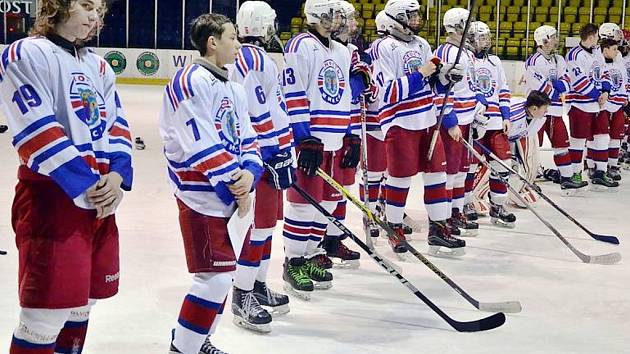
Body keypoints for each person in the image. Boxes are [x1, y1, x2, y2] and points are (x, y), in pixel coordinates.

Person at [0, 0, 134, 353]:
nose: (94, 16)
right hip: (52, 198)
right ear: (56, 6)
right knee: (44, 316)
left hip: (100, 198)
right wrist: (86, 183)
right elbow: (35, 128)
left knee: (82, 301)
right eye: (85, 5)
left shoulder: (99, 65)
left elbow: (117, 125)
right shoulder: (26, 53)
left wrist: (117, 177)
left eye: (99, 9)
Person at [160, 13, 263, 354]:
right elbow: (198, 142)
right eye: (232, 37)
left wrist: (250, 173)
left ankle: (195, 339)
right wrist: (236, 185)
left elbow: (248, 136)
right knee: (213, 277)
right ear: (212, 42)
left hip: (231, 196)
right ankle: (184, 347)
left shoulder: (233, 85)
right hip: (200, 196)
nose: (238, 44)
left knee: (224, 276)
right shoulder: (190, 80)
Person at [372, 0, 465, 257]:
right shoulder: (383, 47)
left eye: (416, 15)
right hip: (400, 121)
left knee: (436, 174)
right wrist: (422, 73)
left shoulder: (422, 44)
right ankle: (394, 228)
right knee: (400, 178)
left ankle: (438, 229)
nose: (416, 20)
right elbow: (388, 93)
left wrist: (446, 76)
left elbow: (432, 85)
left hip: (427, 118)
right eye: (410, 15)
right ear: (397, 18)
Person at [228, 0, 293, 333]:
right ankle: (242, 294)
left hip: (269, 152)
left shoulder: (254, 56)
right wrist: (274, 151)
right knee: (256, 227)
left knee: (266, 226)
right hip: (260, 156)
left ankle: (256, 283)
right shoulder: (252, 58)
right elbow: (256, 112)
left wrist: (285, 146)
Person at [281, 0, 351, 299]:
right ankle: (293, 261)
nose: (337, 19)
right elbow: (293, 92)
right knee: (303, 204)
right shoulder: (300, 45)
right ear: (318, 15)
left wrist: (351, 136)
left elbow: (345, 94)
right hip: (312, 140)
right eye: (332, 14)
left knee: (328, 203)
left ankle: (310, 255)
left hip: (335, 138)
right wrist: (303, 136)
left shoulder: (341, 51)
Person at [319, 0, 367, 268]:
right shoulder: (320, 51)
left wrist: (358, 82)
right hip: (324, 129)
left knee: (342, 187)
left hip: (346, 127)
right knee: (322, 190)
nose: (353, 24)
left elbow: (362, 83)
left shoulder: (351, 52)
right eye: (348, 19)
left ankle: (334, 238)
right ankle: (315, 241)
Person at [434, 8, 483, 236]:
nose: (471, 30)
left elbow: (469, 86)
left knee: (462, 170)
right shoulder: (446, 52)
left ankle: (456, 211)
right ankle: (443, 217)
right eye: (467, 25)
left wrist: (478, 110)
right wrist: (450, 120)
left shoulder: (467, 53)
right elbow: (442, 90)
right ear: (456, 26)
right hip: (452, 123)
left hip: (468, 119)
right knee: (450, 172)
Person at [467, 21, 515, 228]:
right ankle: (465, 204)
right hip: (473, 122)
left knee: (502, 165)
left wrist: (506, 116)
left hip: (495, 122)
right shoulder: (466, 60)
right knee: (467, 167)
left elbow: (503, 90)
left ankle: (498, 205)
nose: (486, 41)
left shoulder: (495, 61)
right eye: (482, 37)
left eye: (487, 37)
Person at [472, 91, 551, 208]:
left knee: (512, 166)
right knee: (494, 166)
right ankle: (475, 194)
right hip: (488, 136)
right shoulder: (514, 114)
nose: (547, 111)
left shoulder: (537, 117)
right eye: (545, 108)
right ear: (534, 108)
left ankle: (513, 191)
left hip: (507, 139)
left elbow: (520, 136)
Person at [565, 23, 610, 189]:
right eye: (597, 36)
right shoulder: (573, 55)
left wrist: (605, 91)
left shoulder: (597, 51)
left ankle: (600, 172)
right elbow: (579, 82)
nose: (598, 39)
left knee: (602, 138)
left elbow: (604, 71)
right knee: (578, 141)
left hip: (599, 105)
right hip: (580, 105)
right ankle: (576, 173)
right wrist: (597, 95)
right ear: (591, 37)